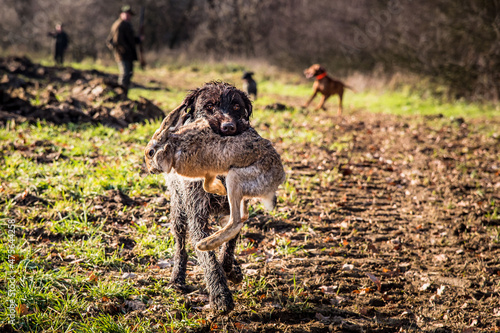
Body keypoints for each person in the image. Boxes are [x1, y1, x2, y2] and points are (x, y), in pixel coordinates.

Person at [107, 5, 142, 99]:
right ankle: (120, 95)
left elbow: (130, 40)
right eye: (126, 14)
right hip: (123, 54)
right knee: (125, 74)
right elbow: (118, 41)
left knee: (128, 74)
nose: (128, 16)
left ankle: (124, 95)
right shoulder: (120, 25)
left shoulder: (127, 25)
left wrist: (138, 39)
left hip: (127, 54)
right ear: (121, 14)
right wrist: (125, 50)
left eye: (129, 14)